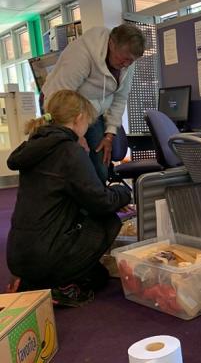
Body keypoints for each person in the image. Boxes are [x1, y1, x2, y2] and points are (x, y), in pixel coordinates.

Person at [6, 90, 131, 307]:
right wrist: (124, 193)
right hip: (45, 255)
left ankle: (32, 283)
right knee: (108, 221)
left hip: (19, 253)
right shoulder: (68, 151)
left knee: (98, 276)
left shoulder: (35, 147)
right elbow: (101, 202)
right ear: (79, 118)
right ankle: (55, 287)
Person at [42, 23, 146, 181]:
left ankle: (99, 199)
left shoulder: (127, 61)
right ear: (111, 43)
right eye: (123, 59)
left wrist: (109, 134)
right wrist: (75, 134)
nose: (126, 65)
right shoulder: (82, 53)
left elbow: (120, 98)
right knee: (76, 163)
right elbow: (58, 95)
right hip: (59, 106)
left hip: (92, 112)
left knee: (100, 166)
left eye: (130, 61)